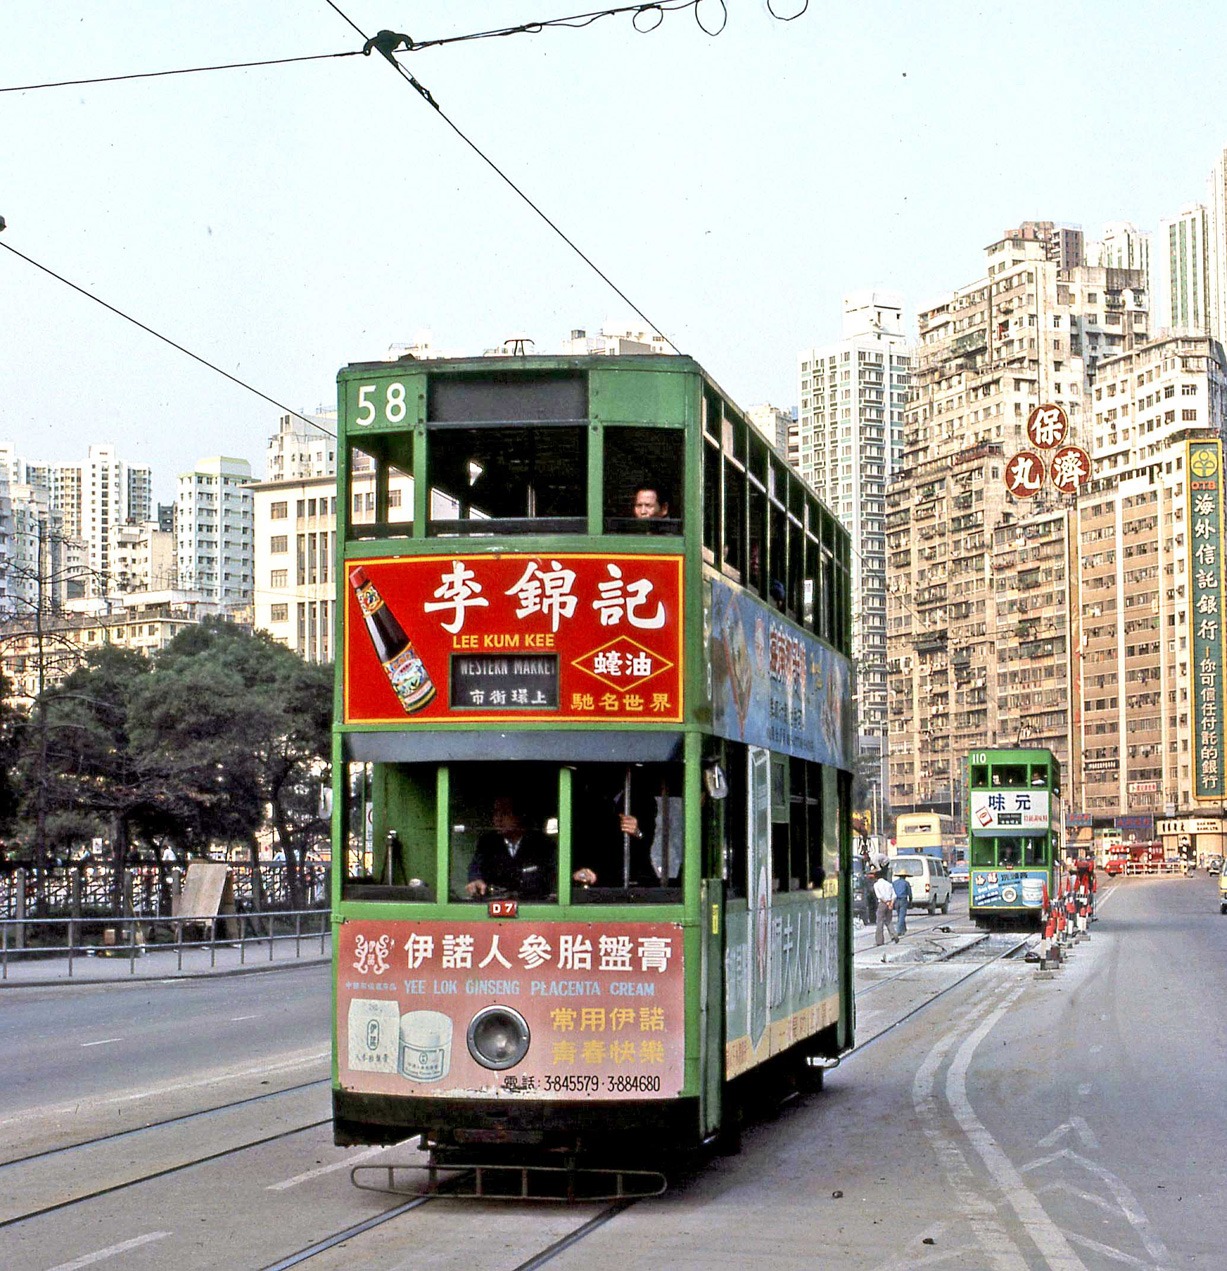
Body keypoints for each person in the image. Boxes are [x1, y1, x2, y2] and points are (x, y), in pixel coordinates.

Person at [572, 765, 659, 888]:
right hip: (593, 881)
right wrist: (576, 872)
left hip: (633, 883)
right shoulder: (586, 801)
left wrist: (637, 831)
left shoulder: (642, 800)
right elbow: (576, 840)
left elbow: (648, 840)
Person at [465, 796, 559, 899]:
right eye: (496, 813)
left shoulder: (542, 844)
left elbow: (553, 877)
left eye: (505, 813)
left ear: (520, 815)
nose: (498, 818)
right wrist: (475, 879)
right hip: (496, 907)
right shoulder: (487, 843)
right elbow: (475, 867)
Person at [872, 869, 895, 948]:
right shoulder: (889, 884)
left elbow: (879, 896)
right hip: (889, 903)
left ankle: (879, 941)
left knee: (880, 921)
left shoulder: (876, 885)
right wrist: (891, 903)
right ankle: (894, 935)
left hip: (882, 903)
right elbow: (894, 895)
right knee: (889, 920)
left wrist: (886, 902)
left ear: (876, 877)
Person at [892, 868, 912, 940]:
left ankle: (903, 929)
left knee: (899, 915)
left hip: (896, 900)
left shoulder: (894, 883)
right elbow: (909, 893)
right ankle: (899, 930)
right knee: (902, 915)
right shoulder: (906, 883)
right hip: (903, 900)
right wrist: (910, 901)